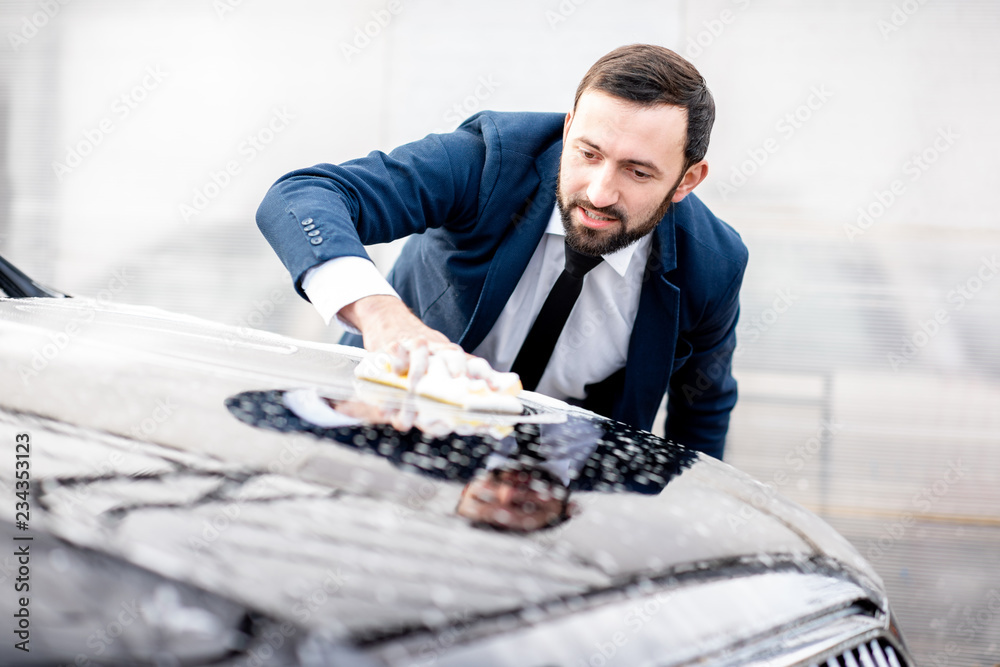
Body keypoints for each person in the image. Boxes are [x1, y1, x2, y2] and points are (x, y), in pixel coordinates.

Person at [256, 44, 748, 459]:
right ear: (569, 126)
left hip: (556, 492)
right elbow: (302, 197)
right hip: (384, 438)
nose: (599, 193)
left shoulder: (714, 264)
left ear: (687, 180)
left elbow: (701, 410)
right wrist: (385, 320)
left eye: (637, 172)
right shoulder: (491, 159)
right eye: (587, 153)